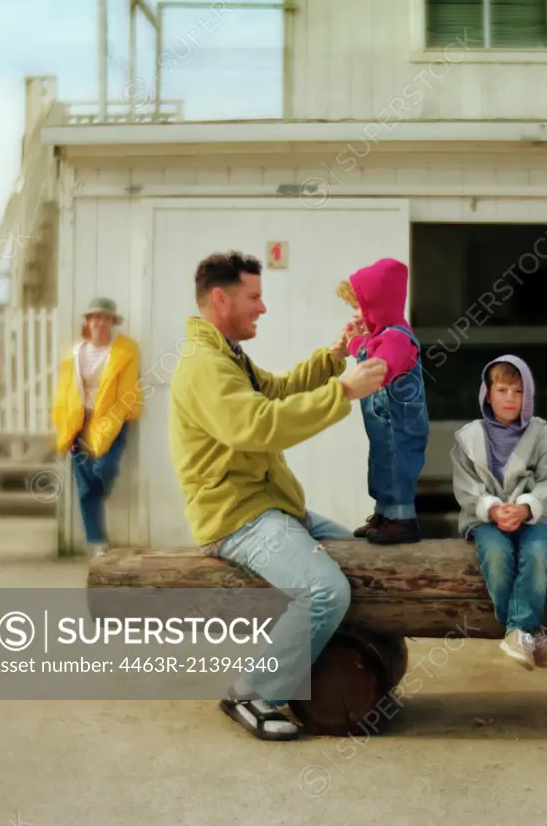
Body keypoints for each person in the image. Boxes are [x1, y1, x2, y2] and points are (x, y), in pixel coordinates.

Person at [168, 250, 387, 741]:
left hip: (273, 509)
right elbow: (258, 424)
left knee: (362, 553)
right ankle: (252, 691)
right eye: (255, 297)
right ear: (220, 298)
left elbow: (278, 392)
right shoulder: (205, 366)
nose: (263, 308)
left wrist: (334, 358)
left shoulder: (229, 356)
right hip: (237, 518)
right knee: (324, 589)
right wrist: (344, 392)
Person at [451, 355, 547, 670]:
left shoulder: (543, 436)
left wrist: (526, 507)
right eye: (502, 390)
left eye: (518, 391)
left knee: (538, 552)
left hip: (532, 517)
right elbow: (465, 487)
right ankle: (527, 630)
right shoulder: (468, 437)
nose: (510, 398)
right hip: (484, 519)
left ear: (528, 395)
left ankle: (517, 630)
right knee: (498, 554)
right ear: (487, 393)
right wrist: (492, 508)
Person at [335, 257, 429, 544]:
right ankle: (385, 514)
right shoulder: (382, 335)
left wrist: (357, 349)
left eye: (357, 308)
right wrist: (354, 342)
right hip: (383, 425)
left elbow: (380, 365)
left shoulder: (398, 338)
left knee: (396, 469)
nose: (353, 315)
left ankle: (402, 520)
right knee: (381, 466)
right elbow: (369, 350)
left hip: (400, 425)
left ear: (378, 306)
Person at [53, 297, 142, 556]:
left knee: (105, 467)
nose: (100, 323)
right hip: (80, 423)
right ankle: (96, 542)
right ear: (88, 321)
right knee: (84, 488)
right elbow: (65, 393)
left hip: (113, 421)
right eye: (96, 317)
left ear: (112, 323)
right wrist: (66, 428)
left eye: (106, 318)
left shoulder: (125, 351)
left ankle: (101, 489)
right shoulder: (75, 354)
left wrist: (126, 412)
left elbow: (127, 388)